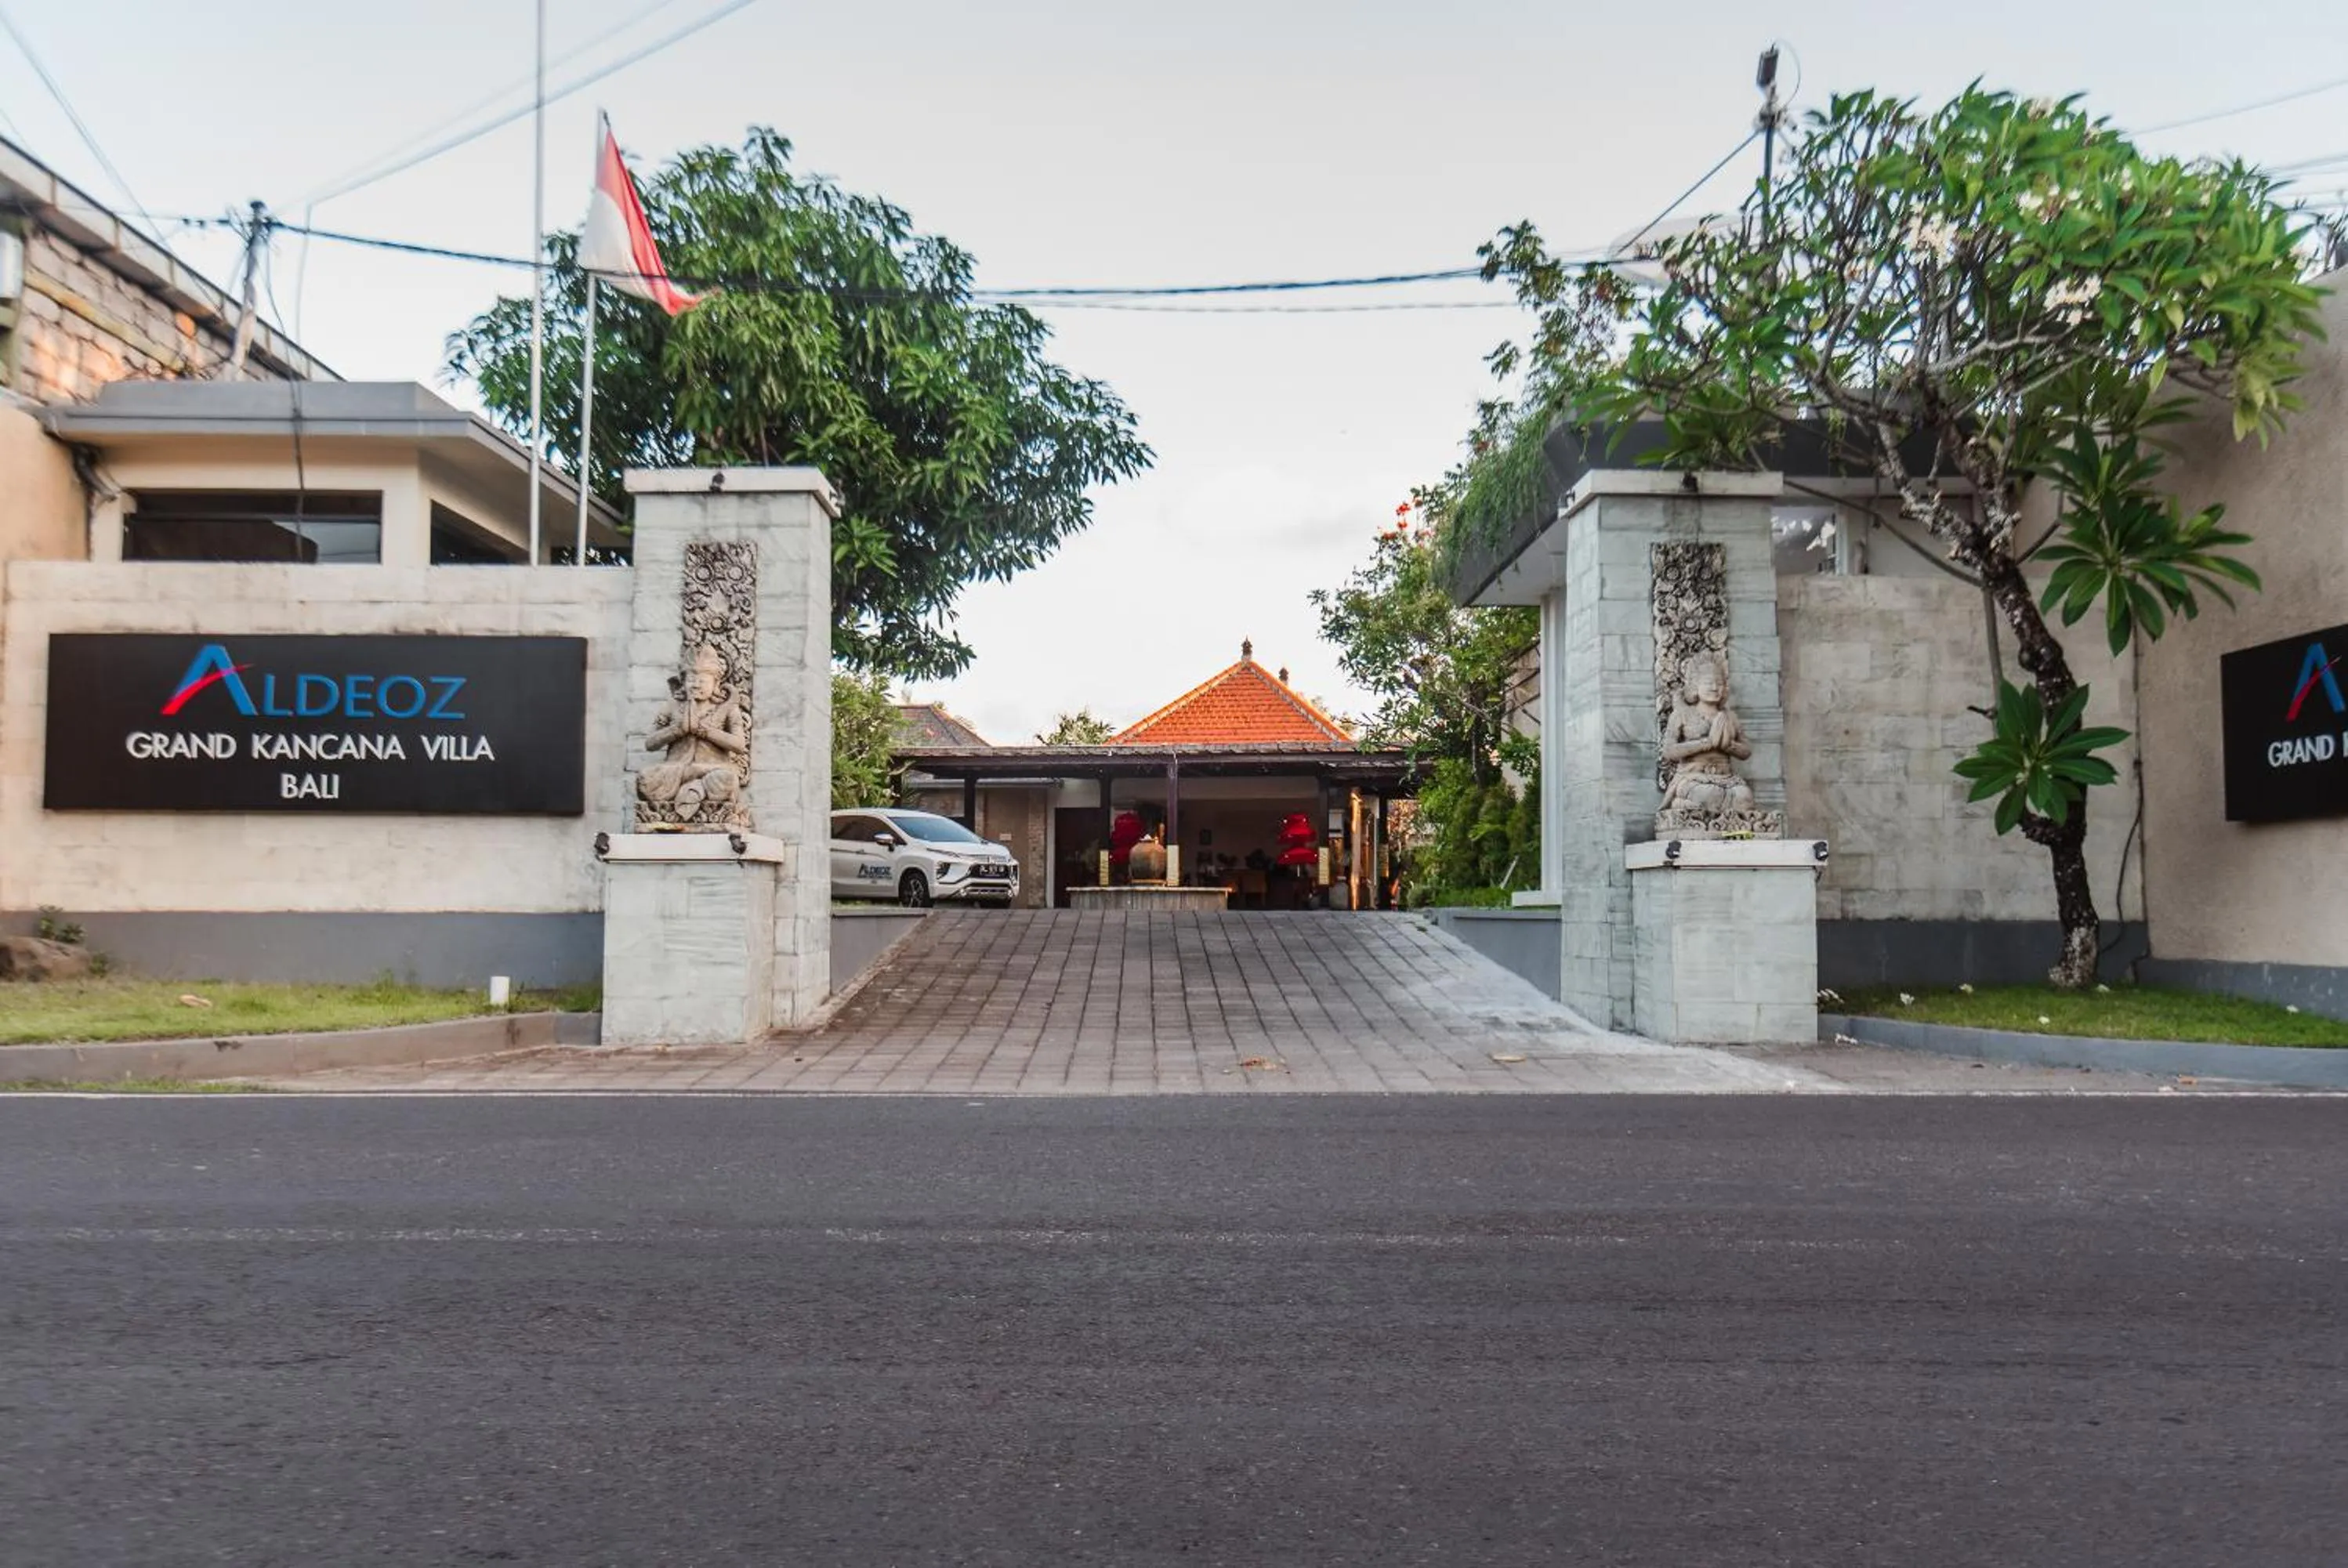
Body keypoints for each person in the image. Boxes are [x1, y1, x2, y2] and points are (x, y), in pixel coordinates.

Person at [637, 643, 750, 826]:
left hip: (711, 769)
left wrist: (705, 731)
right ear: (683, 682)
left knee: (727, 779)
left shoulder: (728, 708)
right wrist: (677, 730)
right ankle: (694, 791)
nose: (696, 685)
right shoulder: (672, 706)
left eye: (703, 681)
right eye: (691, 680)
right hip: (676, 770)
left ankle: (696, 790)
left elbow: (738, 745)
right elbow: (650, 743)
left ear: (716, 683)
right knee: (645, 778)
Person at [1658, 650, 1756, 817]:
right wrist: (1706, 743)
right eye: (1708, 682)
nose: (1714, 688)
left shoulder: (1730, 717)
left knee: (1745, 797)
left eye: (1719, 683)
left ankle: (1695, 807)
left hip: (1726, 778)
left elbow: (1746, 751)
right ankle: (1681, 803)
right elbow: (1669, 751)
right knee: (1709, 794)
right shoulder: (1683, 714)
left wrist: (1728, 746)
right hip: (1693, 777)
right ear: (1695, 686)